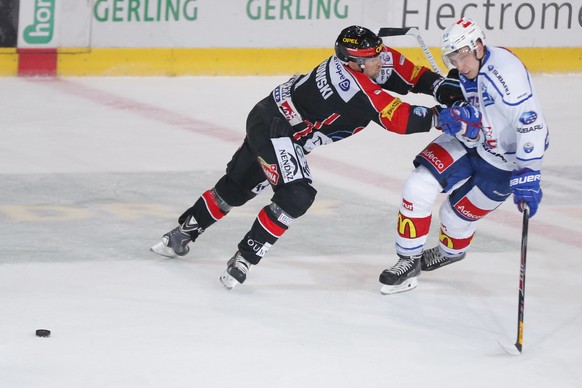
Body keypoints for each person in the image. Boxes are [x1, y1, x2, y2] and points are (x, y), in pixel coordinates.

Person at [151, 25, 464, 289]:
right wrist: (444, 116)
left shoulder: (370, 59)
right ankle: (245, 256)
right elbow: (399, 118)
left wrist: (439, 85)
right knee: (297, 194)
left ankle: (180, 235)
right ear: (353, 63)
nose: (382, 61)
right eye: (373, 59)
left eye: (380, 53)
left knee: (236, 188)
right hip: (276, 128)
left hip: (273, 118)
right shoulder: (350, 86)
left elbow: (408, 73)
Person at [378, 18, 549, 294]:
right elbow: (474, 116)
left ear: (479, 46)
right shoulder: (467, 71)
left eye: (464, 56)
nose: (460, 65)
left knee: (454, 217)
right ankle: (408, 261)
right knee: (418, 185)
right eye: (453, 58)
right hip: (472, 144)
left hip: (505, 161)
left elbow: (532, 125)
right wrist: (459, 117)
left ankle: (450, 252)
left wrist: (528, 172)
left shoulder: (504, 75)